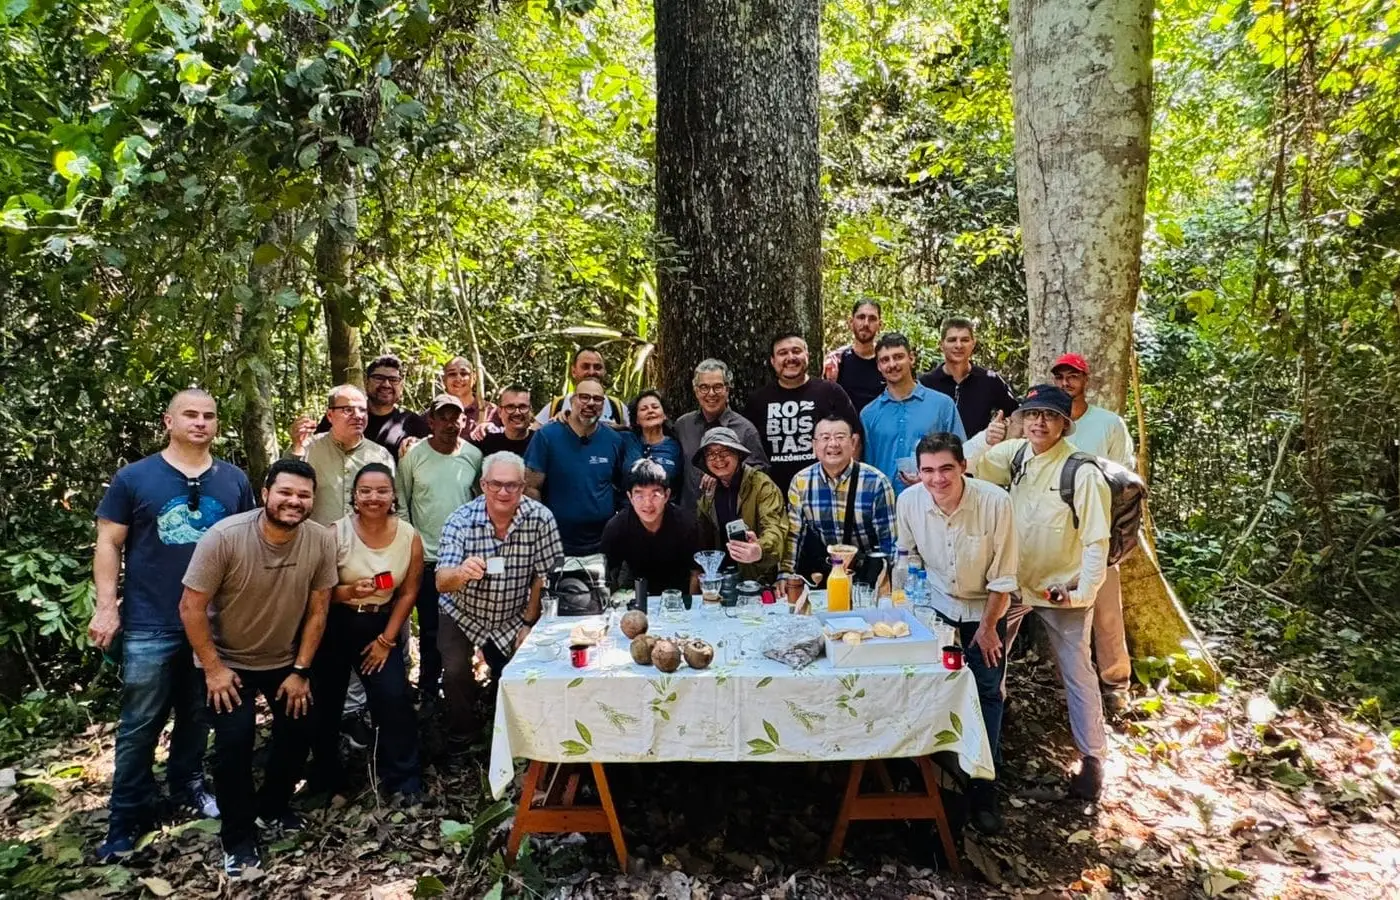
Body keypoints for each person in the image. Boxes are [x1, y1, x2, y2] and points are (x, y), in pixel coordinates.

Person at [91, 389, 257, 862]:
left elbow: (245, 545)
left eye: (209, 416)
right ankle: (125, 817)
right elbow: (108, 544)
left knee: (198, 713)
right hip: (151, 620)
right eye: (190, 415)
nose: (200, 423)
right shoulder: (135, 478)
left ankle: (187, 786)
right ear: (169, 421)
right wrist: (107, 606)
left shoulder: (233, 479)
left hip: (214, 623)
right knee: (140, 722)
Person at [177, 459, 336, 878]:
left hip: (283, 658)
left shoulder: (320, 541)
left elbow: (318, 613)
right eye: (285, 492)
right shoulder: (225, 537)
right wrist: (212, 669)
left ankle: (273, 807)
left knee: (301, 727)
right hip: (226, 662)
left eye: (304, 495)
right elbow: (190, 606)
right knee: (235, 741)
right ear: (265, 493)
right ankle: (238, 837)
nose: (294, 501)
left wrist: (301, 670)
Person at [964, 384, 1112, 801]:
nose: (1039, 422)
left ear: (1065, 424)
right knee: (992, 656)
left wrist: (1083, 591)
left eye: (1049, 416)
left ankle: (1092, 761)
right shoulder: (1014, 456)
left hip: (1060, 588)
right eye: (1032, 415)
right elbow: (966, 463)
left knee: (1077, 671)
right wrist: (985, 439)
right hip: (1012, 583)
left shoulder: (1081, 471)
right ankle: (992, 738)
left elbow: (1096, 540)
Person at [896, 432, 1016, 833]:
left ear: (964, 466)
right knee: (930, 689)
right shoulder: (909, 502)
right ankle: (933, 779)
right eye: (928, 471)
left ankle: (985, 788)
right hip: (936, 607)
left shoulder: (995, 503)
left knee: (985, 694)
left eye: (946, 468)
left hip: (984, 609)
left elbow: (1004, 577)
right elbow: (908, 557)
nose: (937, 479)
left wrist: (987, 629)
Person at [436, 452, 564, 758]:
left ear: (523, 486)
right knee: (454, 672)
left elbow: (546, 574)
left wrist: (529, 623)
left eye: (512, 486)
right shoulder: (461, 520)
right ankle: (462, 737)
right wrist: (461, 572)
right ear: (483, 485)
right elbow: (441, 581)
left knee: (521, 671)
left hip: (513, 613)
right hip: (463, 611)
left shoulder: (540, 518)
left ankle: (516, 739)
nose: (504, 492)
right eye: (496, 485)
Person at [309, 464, 424, 802]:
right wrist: (347, 592)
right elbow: (318, 591)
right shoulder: (335, 533)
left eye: (382, 491)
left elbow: (408, 592)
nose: (374, 498)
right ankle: (328, 781)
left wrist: (387, 641)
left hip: (380, 626)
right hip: (335, 625)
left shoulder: (408, 536)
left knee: (393, 698)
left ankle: (403, 779)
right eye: (366, 491)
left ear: (393, 496)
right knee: (326, 703)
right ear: (355, 497)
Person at [1051, 352, 1135, 712]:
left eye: (1073, 377)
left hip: (1098, 530)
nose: (1067, 383)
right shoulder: (1049, 422)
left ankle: (1116, 683)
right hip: (1055, 533)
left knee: (1106, 609)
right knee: (1060, 609)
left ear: (1086, 381)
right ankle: (1070, 682)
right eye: (1061, 377)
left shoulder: (1108, 424)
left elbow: (1125, 477)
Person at [396, 394, 483, 709]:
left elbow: (481, 501)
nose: (450, 424)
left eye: (456, 417)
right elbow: (401, 500)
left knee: (467, 625)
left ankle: (463, 687)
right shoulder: (414, 456)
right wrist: (413, 544)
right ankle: (429, 690)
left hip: (465, 561)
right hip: (428, 559)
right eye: (443, 417)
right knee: (431, 628)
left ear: (464, 421)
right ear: (430, 422)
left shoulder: (473, 455)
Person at [523, 378, 637, 556]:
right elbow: (530, 487)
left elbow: (621, 488)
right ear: (572, 401)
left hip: (602, 543)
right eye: (584, 397)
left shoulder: (614, 439)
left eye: (597, 399)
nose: (590, 403)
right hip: (556, 542)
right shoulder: (547, 436)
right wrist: (541, 530)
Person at [745, 332, 862, 496]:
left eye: (796, 351)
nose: (790, 357)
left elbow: (855, 438)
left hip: (826, 493)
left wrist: (848, 483)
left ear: (807, 355)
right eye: (782, 353)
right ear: (772, 361)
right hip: (772, 497)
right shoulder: (757, 401)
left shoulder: (831, 392)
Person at [783, 416, 896, 579]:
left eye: (840, 437)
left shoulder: (876, 482)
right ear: (814, 445)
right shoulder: (801, 482)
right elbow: (794, 536)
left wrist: (886, 582)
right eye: (825, 438)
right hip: (826, 572)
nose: (833, 444)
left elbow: (889, 541)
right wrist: (786, 574)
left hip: (868, 573)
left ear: (853, 443)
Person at [860, 333, 965, 488]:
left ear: (911, 358)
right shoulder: (869, 414)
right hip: (885, 505)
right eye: (885, 360)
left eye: (898, 357)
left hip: (933, 500)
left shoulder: (942, 405)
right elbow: (866, 468)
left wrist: (928, 479)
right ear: (878, 366)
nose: (892, 364)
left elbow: (960, 455)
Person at [289, 384, 397, 526]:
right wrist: (297, 446)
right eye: (348, 410)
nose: (358, 416)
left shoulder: (380, 455)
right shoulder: (308, 447)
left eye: (363, 410)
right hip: (317, 541)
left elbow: (393, 506)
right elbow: (284, 487)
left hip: (365, 543)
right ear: (330, 415)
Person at [693, 427, 786, 583]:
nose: (718, 459)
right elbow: (703, 538)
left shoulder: (762, 485)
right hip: (721, 581)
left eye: (725, 451)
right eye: (711, 454)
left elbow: (775, 529)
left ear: (738, 454)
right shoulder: (708, 492)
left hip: (758, 580)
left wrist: (760, 550)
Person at [673, 359, 768, 510]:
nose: (711, 393)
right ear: (696, 391)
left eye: (717, 387)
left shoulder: (745, 429)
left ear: (727, 390)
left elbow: (761, 470)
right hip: (689, 517)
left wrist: (725, 473)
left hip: (730, 517)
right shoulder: (683, 426)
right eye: (704, 387)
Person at [601, 459, 701, 594]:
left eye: (655, 494)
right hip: (634, 592)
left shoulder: (687, 524)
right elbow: (608, 574)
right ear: (630, 497)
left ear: (667, 495)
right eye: (639, 495)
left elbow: (696, 572)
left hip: (679, 594)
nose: (647, 504)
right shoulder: (616, 527)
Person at [310, 356, 430, 459]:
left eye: (393, 380)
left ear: (401, 386)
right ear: (366, 382)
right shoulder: (343, 415)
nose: (386, 385)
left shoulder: (413, 423)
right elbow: (316, 451)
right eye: (379, 378)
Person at [918, 316, 1020, 436]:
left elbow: (1016, 414)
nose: (959, 345)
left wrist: (1002, 430)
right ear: (941, 345)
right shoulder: (926, 383)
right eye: (952, 340)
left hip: (978, 452)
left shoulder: (990, 380)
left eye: (965, 340)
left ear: (973, 343)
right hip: (936, 452)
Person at [534, 347, 629, 427]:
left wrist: (618, 430)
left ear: (604, 371)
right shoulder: (558, 405)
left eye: (597, 367)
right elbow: (532, 436)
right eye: (585, 367)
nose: (592, 372)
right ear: (574, 371)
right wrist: (553, 425)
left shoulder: (616, 407)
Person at [821, 300, 886, 411]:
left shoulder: (887, 361)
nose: (866, 324)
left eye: (872, 319)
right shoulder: (837, 361)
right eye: (861, 317)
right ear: (851, 322)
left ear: (880, 325)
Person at [623, 390, 684, 494]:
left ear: (665, 415)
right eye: (643, 409)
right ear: (636, 419)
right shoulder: (625, 440)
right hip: (629, 507)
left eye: (655, 407)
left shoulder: (675, 446)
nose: (650, 411)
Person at [471, 384, 535, 457]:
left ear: (531, 411)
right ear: (499, 412)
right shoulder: (485, 444)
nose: (517, 412)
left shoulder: (542, 443)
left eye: (523, 407)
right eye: (510, 407)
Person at [441, 356, 496, 434]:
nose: (458, 378)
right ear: (444, 380)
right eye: (452, 374)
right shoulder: (433, 414)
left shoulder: (492, 411)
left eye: (464, 373)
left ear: (474, 378)